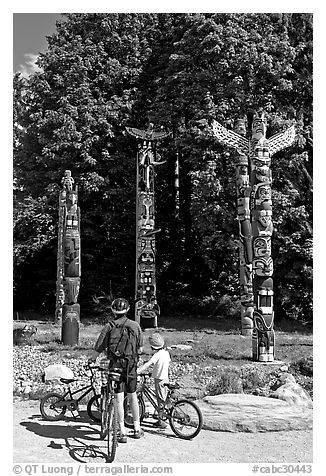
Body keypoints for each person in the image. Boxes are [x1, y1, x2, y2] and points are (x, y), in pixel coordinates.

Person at [88, 298, 144, 442]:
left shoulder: (109, 326)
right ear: (128, 309)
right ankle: (137, 429)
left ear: (112, 310)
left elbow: (98, 347)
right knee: (132, 396)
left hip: (116, 366)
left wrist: (91, 359)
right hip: (131, 366)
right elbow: (141, 348)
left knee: (118, 399)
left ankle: (122, 432)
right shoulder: (135, 325)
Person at [137, 333, 171, 429]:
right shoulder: (166, 353)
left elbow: (149, 363)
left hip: (159, 379)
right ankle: (160, 417)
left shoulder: (157, 355)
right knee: (162, 398)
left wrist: (138, 370)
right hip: (165, 378)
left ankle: (162, 421)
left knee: (160, 400)